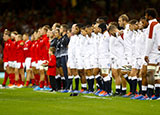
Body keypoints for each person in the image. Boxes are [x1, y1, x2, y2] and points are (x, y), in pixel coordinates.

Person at [144, 8, 160, 100]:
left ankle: (150, 94)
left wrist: (146, 54)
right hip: (158, 52)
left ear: (149, 16)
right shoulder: (158, 24)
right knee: (157, 74)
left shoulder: (152, 25)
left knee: (150, 74)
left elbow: (150, 40)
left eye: (146, 15)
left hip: (153, 53)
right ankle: (157, 94)